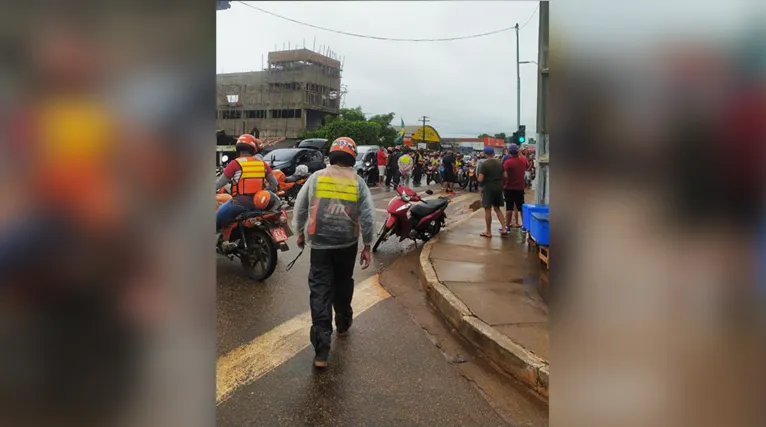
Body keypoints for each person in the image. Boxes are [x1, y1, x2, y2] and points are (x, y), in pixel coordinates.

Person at [292, 136, 375, 368]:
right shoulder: (358, 182)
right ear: (352, 157)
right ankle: (343, 320)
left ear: (332, 155)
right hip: (346, 244)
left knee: (319, 288)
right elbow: (367, 217)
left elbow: (300, 207)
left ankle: (322, 346)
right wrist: (367, 246)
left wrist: (299, 232)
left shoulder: (316, 178)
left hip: (319, 243)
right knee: (343, 282)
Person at [215, 134, 278, 251]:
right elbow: (274, 184)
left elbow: (219, 184)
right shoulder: (262, 163)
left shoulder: (234, 163)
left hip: (238, 205)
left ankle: (224, 242)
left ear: (238, 148)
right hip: (259, 205)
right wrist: (262, 194)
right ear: (253, 148)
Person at [477, 146, 508, 238]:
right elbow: (505, 175)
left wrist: (478, 177)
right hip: (498, 188)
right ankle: (504, 228)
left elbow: (480, 179)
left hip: (488, 188)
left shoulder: (484, 164)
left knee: (487, 209)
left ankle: (488, 231)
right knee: (497, 209)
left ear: (485, 154)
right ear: (493, 154)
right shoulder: (499, 163)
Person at [502, 143, 530, 230]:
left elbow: (504, 175)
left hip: (509, 187)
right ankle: (525, 226)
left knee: (509, 208)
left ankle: (507, 226)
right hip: (520, 188)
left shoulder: (507, 163)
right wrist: (521, 154)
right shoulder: (523, 161)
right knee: (521, 207)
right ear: (517, 152)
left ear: (509, 152)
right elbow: (528, 166)